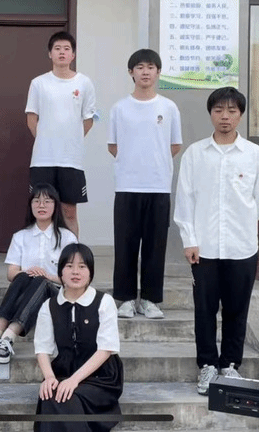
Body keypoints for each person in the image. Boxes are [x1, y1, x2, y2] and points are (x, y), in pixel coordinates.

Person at [174, 86, 259, 396]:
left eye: (231, 111)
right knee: (204, 310)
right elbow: (185, 200)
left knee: (236, 309)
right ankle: (207, 365)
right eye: (219, 110)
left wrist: (241, 222)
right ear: (211, 114)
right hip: (204, 248)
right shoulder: (195, 154)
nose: (225, 116)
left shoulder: (254, 154)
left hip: (242, 247)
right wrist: (190, 239)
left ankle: (230, 365)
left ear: (240, 115)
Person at [107, 49, 182, 320]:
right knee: (125, 245)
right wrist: (133, 163)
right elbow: (113, 146)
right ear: (131, 72)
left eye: (151, 67)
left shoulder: (169, 107)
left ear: (158, 72)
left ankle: (150, 300)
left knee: (155, 246)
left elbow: (174, 145)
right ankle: (126, 299)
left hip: (158, 186)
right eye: (140, 67)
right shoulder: (119, 108)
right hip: (127, 186)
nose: (145, 72)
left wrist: (153, 164)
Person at [0, 183, 77, 364]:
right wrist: (28, 272)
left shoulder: (67, 237)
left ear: (55, 206)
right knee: (22, 276)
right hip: (28, 293)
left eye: (47, 201)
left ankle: (8, 337)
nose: (41, 205)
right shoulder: (21, 236)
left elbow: (73, 278)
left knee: (42, 281)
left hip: (58, 295)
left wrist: (46, 276)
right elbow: (11, 273)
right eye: (36, 201)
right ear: (30, 206)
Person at [34, 243, 123, 432]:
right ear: (60, 272)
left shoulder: (104, 302)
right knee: (51, 393)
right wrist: (49, 377)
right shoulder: (49, 306)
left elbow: (106, 349)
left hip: (101, 376)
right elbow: (42, 348)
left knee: (65, 397)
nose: (75, 272)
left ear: (90, 272)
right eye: (69, 266)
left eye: (82, 266)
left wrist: (74, 380)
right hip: (64, 371)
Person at [26, 31, 96, 237]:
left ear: (73, 54)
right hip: (43, 159)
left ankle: (72, 253)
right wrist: (47, 140)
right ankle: (41, 251)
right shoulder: (38, 83)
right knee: (41, 209)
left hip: (71, 160)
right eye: (57, 49)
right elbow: (31, 119)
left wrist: (70, 140)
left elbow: (88, 120)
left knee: (69, 211)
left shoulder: (84, 83)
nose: (62, 53)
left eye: (67, 49)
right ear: (50, 53)